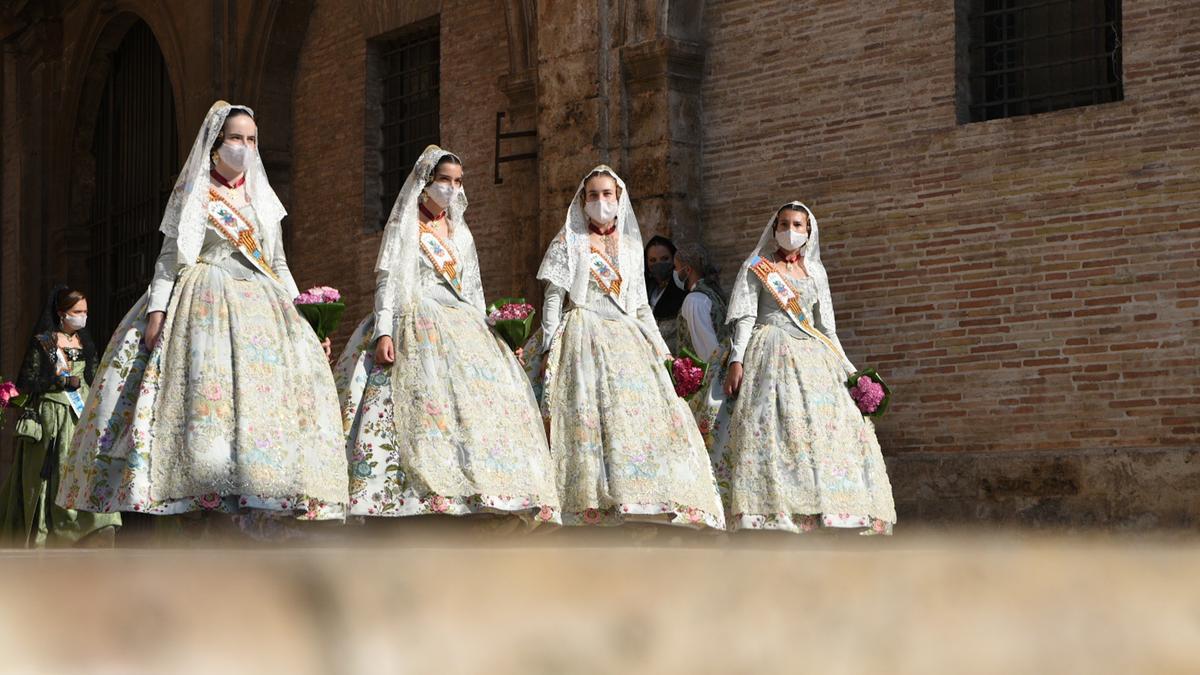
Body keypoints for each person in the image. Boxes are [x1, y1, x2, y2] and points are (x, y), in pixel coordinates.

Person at [57, 101, 348, 526]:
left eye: (251, 139)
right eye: (235, 138)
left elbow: (279, 264)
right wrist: (157, 311)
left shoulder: (263, 199)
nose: (244, 146)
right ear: (216, 144)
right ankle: (199, 495)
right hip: (205, 302)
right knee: (205, 400)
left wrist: (304, 318)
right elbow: (169, 258)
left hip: (263, 305)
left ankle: (260, 489)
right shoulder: (195, 193)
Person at [333, 145, 558, 524]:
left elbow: (473, 291)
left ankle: (480, 492)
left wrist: (494, 336)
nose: (451, 189)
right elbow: (387, 283)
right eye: (444, 181)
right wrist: (383, 332)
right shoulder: (404, 226)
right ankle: (414, 498)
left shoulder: (461, 233)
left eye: (457, 182)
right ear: (426, 182)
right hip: (416, 320)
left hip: (462, 324)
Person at [535, 165, 724, 529]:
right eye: (593, 195)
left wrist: (662, 352)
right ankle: (592, 504)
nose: (601, 201)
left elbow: (639, 307)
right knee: (589, 418)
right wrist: (546, 346)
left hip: (626, 335)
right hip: (583, 331)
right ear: (582, 200)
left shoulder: (632, 245)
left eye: (608, 195)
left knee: (642, 415)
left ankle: (644, 499)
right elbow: (553, 298)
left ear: (619, 199)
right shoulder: (568, 241)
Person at [709, 201, 895, 534]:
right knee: (777, 427)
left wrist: (851, 371)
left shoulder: (816, 272)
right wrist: (737, 358)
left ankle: (831, 510)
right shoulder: (758, 266)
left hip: (814, 355)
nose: (789, 231)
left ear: (808, 232)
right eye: (783, 224)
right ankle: (774, 513)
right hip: (771, 350)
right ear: (774, 227)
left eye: (797, 225)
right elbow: (747, 315)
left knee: (828, 428)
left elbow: (826, 329)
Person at [0, 286, 122, 546]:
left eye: (85, 312)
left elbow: (94, 376)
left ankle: (97, 524)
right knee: (56, 469)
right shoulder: (45, 342)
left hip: (82, 415)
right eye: (77, 311)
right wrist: (58, 381)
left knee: (89, 466)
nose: (82, 316)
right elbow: (29, 380)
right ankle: (55, 529)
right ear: (61, 313)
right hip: (54, 415)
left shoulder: (84, 342)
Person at [671, 242, 728, 364]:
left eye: (675, 267)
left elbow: (707, 350)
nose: (674, 272)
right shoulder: (712, 294)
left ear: (687, 270)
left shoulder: (695, 300)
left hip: (706, 377)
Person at [644, 236, 686, 353]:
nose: (659, 264)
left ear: (673, 259)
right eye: (653, 260)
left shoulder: (682, 290)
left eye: (664, 258)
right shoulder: (645, 289)